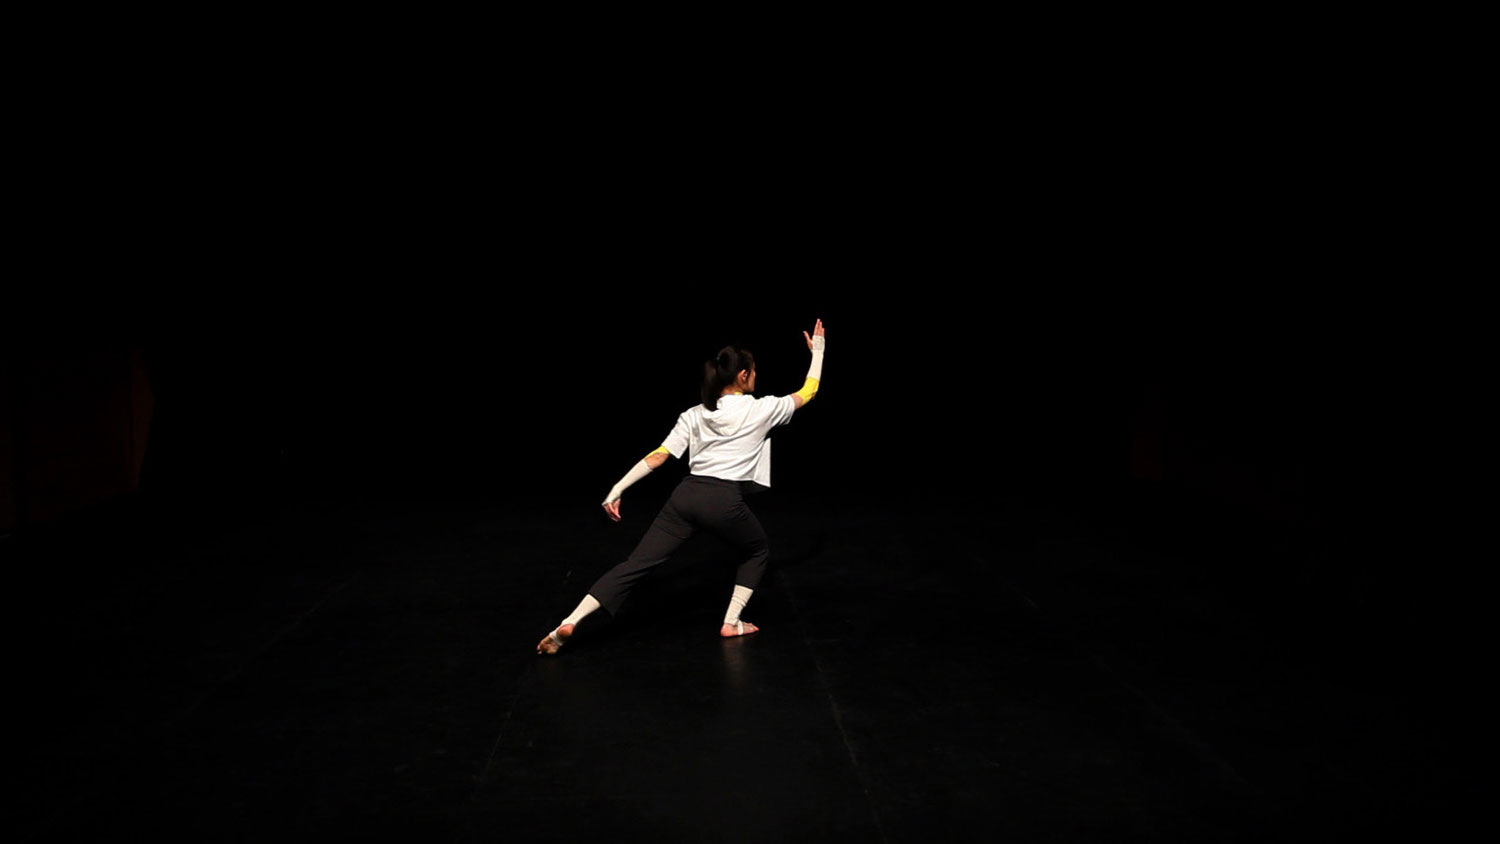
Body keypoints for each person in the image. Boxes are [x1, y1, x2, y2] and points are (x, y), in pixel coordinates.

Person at [537, 318, 826, 655]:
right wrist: (817, 351)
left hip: (684, 497)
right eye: (755, 371)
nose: (756, 376)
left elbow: (660, 456)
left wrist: (617, 488)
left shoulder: (694, 414)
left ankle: (569, 621)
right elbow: (810, 390)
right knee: (757, 550)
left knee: (635, 564)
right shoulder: (764, 409)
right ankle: (731, 622)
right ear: (744, 375)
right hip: (722, 500)